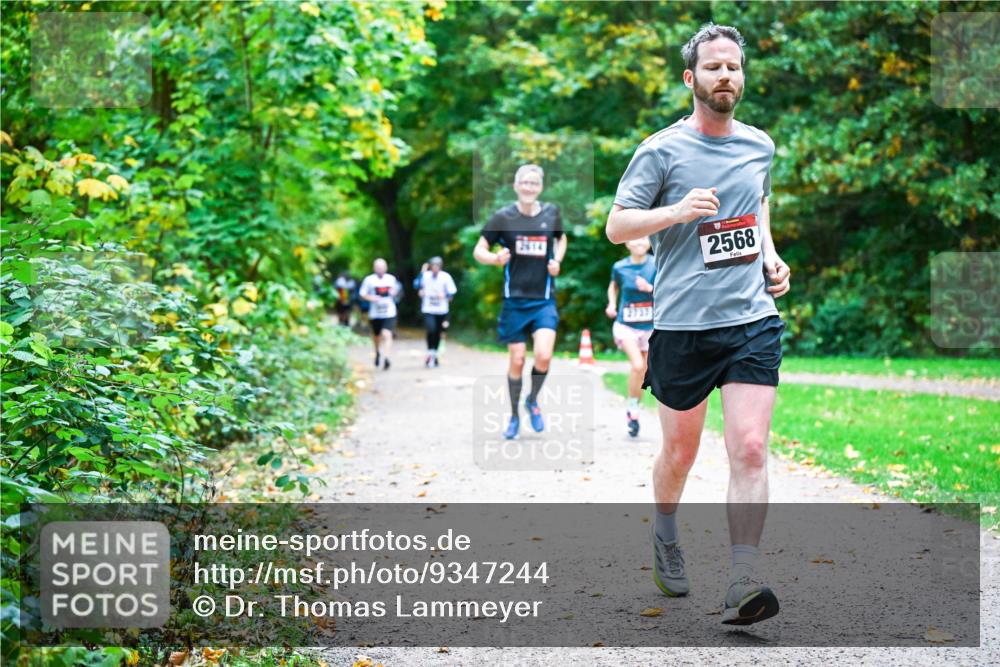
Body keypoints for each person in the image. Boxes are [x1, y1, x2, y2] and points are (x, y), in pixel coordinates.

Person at [606, 23, 791, 626]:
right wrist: (677, 212)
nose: (725, 76)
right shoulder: (660, 150)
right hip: (683, 326)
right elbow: (616, 226)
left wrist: (768, 253)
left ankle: (743, 577)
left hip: (751, 319)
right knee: (679, 454)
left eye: (733, 67)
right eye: (713, 67)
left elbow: (757, 201)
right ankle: (664, 529)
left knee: (751, 447)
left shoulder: (759, 145)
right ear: (691, 78)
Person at [473, 164, 567, 440]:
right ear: (516, 186)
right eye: (524, 183)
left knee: (544, 355)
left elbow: (562, 240)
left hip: (543, 300)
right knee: (516, 360)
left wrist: (557, 261)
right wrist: (493, 259)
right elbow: (479, 249)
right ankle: (514, 416)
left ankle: (532, 400)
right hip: (514, 301)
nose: (528, 187)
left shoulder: (551, 214)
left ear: (540, 187)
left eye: (534, 183)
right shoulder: (503, 218)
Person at [605, 236, 656, 438]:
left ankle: (633, 409)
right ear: (627, 243)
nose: (639, 242)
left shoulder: (657, 263)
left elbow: (669, 289)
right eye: (634, 239)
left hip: (650, 326)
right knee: (637, 365)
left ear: (650, 242)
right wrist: (611, 303)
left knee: (644, 371)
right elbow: (613, 286)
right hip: (626, 324)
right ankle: (633, 408)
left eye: (643, 238)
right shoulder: (619, 267)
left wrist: (650, 289)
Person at [414, 256, 458, 367]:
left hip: (441, 310)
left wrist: (445, 295)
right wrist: (422, 271)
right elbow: (416, 285)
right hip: (428, 309)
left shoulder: (446, 277)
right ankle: (430, 352)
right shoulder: (425, 275)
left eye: (437, 266)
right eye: (433, 266)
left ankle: (434, 356)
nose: (435, 268)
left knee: (438, 332)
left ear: (440, 267)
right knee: (431, 329)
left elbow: (452, 292)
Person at [359, 258, 401, 371]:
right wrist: (371, 298)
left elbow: (397, 291)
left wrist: (394, 292)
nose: (380, 269)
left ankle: (386, 357)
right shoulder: (369, 280)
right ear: (374, 268)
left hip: (389, 312)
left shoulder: (391, 279)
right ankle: (377, 352)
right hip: (375, 313)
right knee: (376, 336)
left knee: (387, 334)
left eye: (382, 267)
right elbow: (362, 294)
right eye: (378, 267)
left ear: (386, 268)